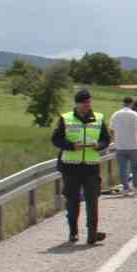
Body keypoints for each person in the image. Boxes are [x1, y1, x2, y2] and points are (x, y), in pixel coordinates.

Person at [51, 89, 111, 245]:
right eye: (85, 102)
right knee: (72, 201)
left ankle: (92, 234)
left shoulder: (98, 118)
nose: (87, 105)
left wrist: (99, 145)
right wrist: (71, 146)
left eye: (89, 102)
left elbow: (106, 139)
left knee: (92, 200)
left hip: (91, 166)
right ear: (77, 103)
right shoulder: (66, 118)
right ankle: (73, 232)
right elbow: (56, 139)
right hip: (71, 167)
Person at [109, 96, 137, 196]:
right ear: (132, 104)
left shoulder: (115, 114)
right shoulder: (136, 115)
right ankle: (135, 186)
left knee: (123, 168)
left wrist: (114, 139)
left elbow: (111, 129)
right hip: (133, 145)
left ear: (123, 103)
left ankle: (125, 187)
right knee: (135, 167)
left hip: (120, 145)